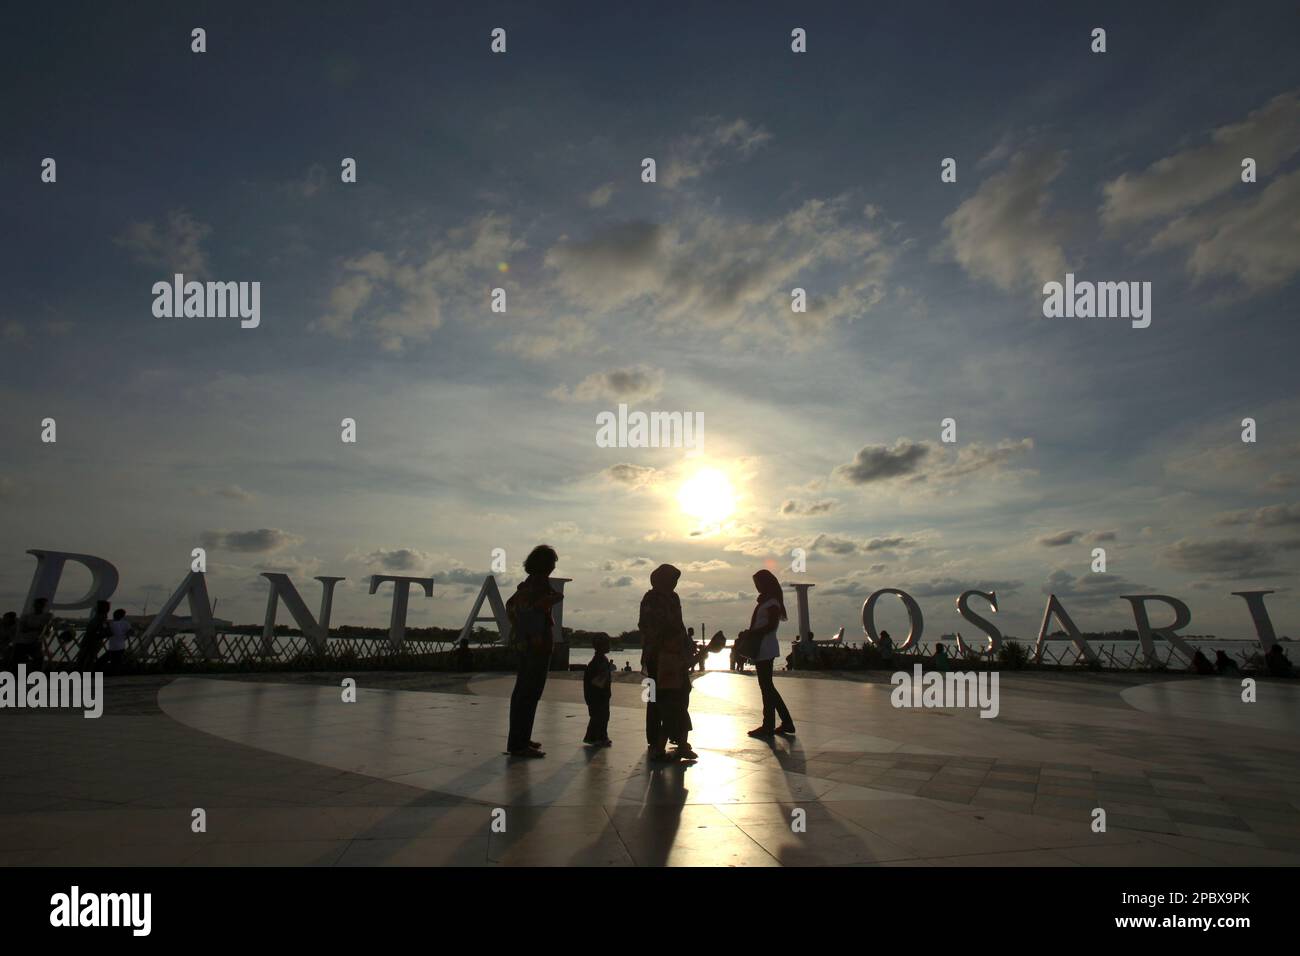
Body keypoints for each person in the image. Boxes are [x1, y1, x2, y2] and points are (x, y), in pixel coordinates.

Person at [505, 545, 562, 758]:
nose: (554, 567)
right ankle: (519, 743)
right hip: (537, 646)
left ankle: (519, 739)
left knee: (522, 692)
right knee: (529, 693)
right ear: (547, 565)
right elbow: (536, 609)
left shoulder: (525, 586)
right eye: (553, 563)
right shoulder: (538, 586)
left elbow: (511, 607)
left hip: (525, 645)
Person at [639, 564, 692, 761]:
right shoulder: (650, 598)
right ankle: (655, 741)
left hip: (676, 656)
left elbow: (679, 623)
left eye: (675, 580)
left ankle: (679, 739)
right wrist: (662, 643)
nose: (674, 583)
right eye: (671, 579)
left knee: (681, 695)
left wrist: (684, 645)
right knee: (656, 699)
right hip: (657, 657)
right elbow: (646, 626)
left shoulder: (673, 597)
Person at [744, 570, 795, 738]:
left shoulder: (772, 603)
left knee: (766, 687)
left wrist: (752, 633)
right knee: (767, 687)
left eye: (758, 583)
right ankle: (784, 722)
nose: (757, 587)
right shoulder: (767, 601)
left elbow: (771, 625)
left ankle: (769, 725)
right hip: (763, 647)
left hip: (766, 648)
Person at [583, 634, 613, 746]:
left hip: (597, 695)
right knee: (600, 717)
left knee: (598, 717)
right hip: (598, 696)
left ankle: (594, 737)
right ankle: (600, 737)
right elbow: (599, 681)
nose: (610, 646)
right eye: (608, 644)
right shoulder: (599, 662)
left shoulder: (599, 660)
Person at [13, 598, 52, 671]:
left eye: (42, 605)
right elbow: (23, 629)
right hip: (23, 641)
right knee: (19, 658)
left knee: (37, 658)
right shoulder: (26, 616)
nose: (40, 607)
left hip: (34, 641)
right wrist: (37, 628)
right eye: (40, 604)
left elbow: (44, 629)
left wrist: (32, 628)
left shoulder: (47, 616)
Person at [77, 600, 111, 670]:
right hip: (92, 641)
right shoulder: (100, 618)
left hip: (92, 642)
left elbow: (107, 632)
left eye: (96, 606)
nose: (95, 607)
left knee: (85, 660)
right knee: (85, 660)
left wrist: (95, 635)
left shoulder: (101, 618)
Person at [100, 608, 134, 674]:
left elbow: (107, 633)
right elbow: (131, 632)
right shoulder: (125, 623)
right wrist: (125, 636)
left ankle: (112, 673)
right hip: (121, 646)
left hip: (113, 647)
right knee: (117, 662)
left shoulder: (111, 624)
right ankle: (116, 674)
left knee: (108, 661)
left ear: (115, 615)